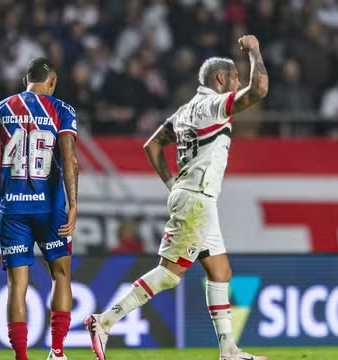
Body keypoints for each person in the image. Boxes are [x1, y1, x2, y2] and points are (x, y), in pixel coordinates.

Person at [86, 35, 269, 360]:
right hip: (196, 199)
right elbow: (258, 91)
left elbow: (152, 145)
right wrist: (254, 50)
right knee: (169, 274)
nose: (238, 81)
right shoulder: (213, 105)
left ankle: (229, 350)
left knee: (220, 272)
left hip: (196, 197)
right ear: (219, 79)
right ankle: (104, 321)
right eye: (234, 77)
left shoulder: (185, 111)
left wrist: (173, 183)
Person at [0, 57, 78, 360]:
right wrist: (74, 204)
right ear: (52, 81)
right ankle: (57, 352)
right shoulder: (62, 110)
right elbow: (69, 159)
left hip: (13, 208)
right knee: (61, 275)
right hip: (50, 208)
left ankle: (20, 356)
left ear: (25, 80)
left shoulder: (1, 109)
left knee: (17, 283)